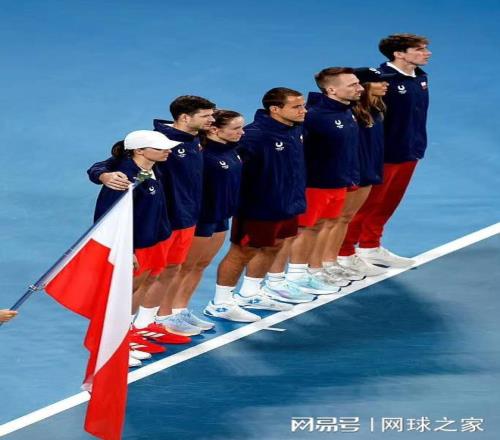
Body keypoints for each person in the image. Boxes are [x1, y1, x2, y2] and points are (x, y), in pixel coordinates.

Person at [88, 96, 216, 337]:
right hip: (159, 222)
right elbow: (107, 165)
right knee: (142, 279)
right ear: (185, 117)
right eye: (206, 115)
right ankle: (121, 333)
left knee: (169, 270)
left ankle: (148, 323)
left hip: (182, 221)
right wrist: (103, 175)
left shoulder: (197, 138)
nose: (212, 120)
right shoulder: (154, 142)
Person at [203, 88, 309, 322]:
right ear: (275, 109)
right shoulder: (253, 136)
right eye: (297, 106)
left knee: (275, 246)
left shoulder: (295, 129)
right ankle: (221, 303)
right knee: (242, 252)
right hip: (257, 207)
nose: (304, 110)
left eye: (302, 105)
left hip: (287, 203)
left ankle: (250, 293)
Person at [344, 34, 431, 268]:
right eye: (419, 49)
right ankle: (345, 253)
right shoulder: (379, 81)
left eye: (425, 48)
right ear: (399, 54)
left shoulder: (421, 77)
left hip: (410, 151)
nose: (427, 53)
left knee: (389, 203)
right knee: (366, 205)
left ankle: (370, 246)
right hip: (383, 155)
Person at [93, 130, 179, 367]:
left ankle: (126, 338)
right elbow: (107, 218)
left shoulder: (153, 168)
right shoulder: (123, 179)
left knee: (139, 288)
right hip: (134, 246)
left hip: (152, 241)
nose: (168, 152)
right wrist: (126, 250)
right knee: (122, 295)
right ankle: (112, 346)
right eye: (160, 148)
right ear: (139, 150)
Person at [282, 67, 365, 295]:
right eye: (352, 85)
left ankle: (315, 269)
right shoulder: (314, 116)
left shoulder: (347, 111)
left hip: (337, 181)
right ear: (331, 90)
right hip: (315, 183)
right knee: (307, 228)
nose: (360, 88)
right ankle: (296, 275)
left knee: (324, 225)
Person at [169, 110, 245, 328]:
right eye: (236, 128)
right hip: (201, 218)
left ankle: (181, 310)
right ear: (214, 129)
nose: (242, 132)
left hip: (221, 216)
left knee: (200, 265)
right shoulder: (201, 154)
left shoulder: (232, 149)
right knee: (184, 268)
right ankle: (166, 315)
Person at [325, 67, 396, 277]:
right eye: (378, 82)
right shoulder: (351, 113)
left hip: (368, 171)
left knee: (346, 217)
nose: (385, 85)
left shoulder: (375, 109)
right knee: (337, 219)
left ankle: (341, 259)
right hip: (354, 174)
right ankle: (332, 260)